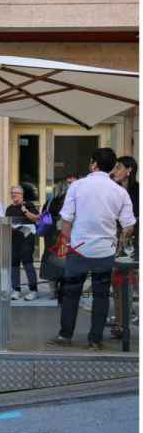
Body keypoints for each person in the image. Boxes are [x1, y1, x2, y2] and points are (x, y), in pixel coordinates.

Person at [49, 149, 136, 350]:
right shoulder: (119, 191)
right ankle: (95, 340)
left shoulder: (77, 186)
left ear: (94, 164)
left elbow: (67, 220)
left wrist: (70, 243)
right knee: (101, 295)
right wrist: (119, 244)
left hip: (78, 250)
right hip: (105, 251)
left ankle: (65, 336)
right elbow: (129, 226)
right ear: (113, 167)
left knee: (71, 294)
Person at [110, 156, 138, 338]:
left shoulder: (138, 191)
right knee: (118, 283)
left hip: (136, 243)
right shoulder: (114, 191)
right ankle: (120, 323)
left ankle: (127, 319)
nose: (115, 171)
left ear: (129, 170)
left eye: (118, 167)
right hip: (117, 242)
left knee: (132, 284)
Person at [6, 185, 39, 301]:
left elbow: (37, 219)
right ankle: (16, 290)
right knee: (14, 264)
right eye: (12, 192)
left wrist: (25, 211)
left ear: (21, 194)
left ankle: (33, 290)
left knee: (27, 263)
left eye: (16, 192)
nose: (13, 194)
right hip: (14, 239)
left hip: (27, 239)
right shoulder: (9, 209)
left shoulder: (28, 205)